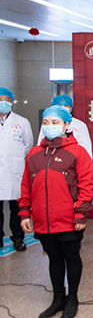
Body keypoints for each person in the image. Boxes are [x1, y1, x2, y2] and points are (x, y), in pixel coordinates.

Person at [18, 105, 93, 318]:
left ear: (66, 125)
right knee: (54, 258)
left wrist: (81, 213)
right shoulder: (34, 154)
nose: (49, 126)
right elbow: (26, 185)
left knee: (71, 257)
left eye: (55, 122)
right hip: (43, 219)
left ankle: (72, 298)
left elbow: (87, 185)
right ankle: (58, 298)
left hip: (69, 219)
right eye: (46, 122)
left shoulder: (77, 152)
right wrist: (25, 212)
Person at [0, 88, 33, 251]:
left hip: (15, 172)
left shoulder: (21, 122)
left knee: (17, 208)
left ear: (12, 102)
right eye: (0, 99)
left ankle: (18, 238)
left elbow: (28, 144)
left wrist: (15, 157)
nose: (3, 103)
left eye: (6, 100)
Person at [37, 94, 93, 159]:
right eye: (59, 106)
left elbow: (86, 148)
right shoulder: (47, 125)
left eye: (66, 106)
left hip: (73, 159)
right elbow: (40, 143)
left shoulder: (80, 125)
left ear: (71, 109)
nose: (62, 108)